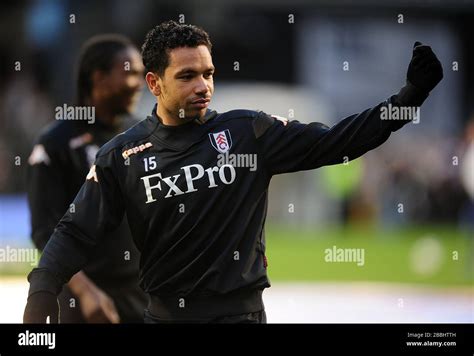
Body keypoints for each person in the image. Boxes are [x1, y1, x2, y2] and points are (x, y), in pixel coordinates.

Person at [23, 21, 443, 323]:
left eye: (208, 74)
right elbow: (74, 232)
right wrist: (43, 286)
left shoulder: (248, 131)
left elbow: (337, 141)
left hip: (241, 317)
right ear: (154, 83)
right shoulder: (122, 155)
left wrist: (409, 98)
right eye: (186, 76)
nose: (202, 85)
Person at [26, 34, 147, 323]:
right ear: (99, 77)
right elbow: (45, 231)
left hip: (142, 294)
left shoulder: (141, 135)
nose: (140, 83)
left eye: (142, 75)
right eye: (130, 73)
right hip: (84, 300)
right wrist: (85, 292)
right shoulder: (57, 143)